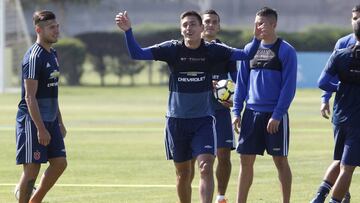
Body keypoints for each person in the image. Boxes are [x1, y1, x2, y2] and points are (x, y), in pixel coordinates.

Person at [115, 10, 262, 203]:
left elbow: (245, 54)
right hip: (177, 122)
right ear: (181, 29)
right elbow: (137, 53)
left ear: (201, 28)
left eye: (193, 24)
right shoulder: (172, 49)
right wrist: (128, 31)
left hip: (204, 121)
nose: (189, 28)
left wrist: (257, 38)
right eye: (185, 25)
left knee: (206, 166)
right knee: (183, 173)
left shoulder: (213, 50)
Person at [232, 7, 297, 203]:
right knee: (245, 161)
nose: (257, 27)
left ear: (274, 24)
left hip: (274, 116)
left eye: (261, 23)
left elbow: (289, 88)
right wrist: (236, 111)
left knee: (280, 161)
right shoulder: (248, 50)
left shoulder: (286, 50)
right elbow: (241, 84)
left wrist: (277, 115)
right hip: (251, 114)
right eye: (255, 23)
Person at [15, 10, 67, 203]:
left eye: (57, 26)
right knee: (32, 170)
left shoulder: (52, 54)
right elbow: (30, 97)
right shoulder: (34, 57)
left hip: (51, 121)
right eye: (51, 27)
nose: (56, 30)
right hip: (33, 121)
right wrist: (41, 128)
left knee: (60, 163)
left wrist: (59, 122)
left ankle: (33, 201)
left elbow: (52, 92)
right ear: (39, 30)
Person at [311, 4, 360, 203]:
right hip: (356, 118)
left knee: (340, 160)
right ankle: (336, 200)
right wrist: (326, 98)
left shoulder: (341, 53)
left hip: (341, 115)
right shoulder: (341, 43)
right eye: (355, 16)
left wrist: (339, 87)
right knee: (348, 166)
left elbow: (323, 81)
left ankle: (319, 196)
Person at [201, 9, 237, 203]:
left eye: (215, 22)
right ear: (201, 25)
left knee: (224, 155)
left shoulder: (226, 51)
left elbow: (236, 79)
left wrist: (234, 97)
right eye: (207, 21)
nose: (211, 25)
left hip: (221, 111)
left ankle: (221, 197)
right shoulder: (189, 50)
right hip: (196, 112)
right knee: (196, 159)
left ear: (219, 26)